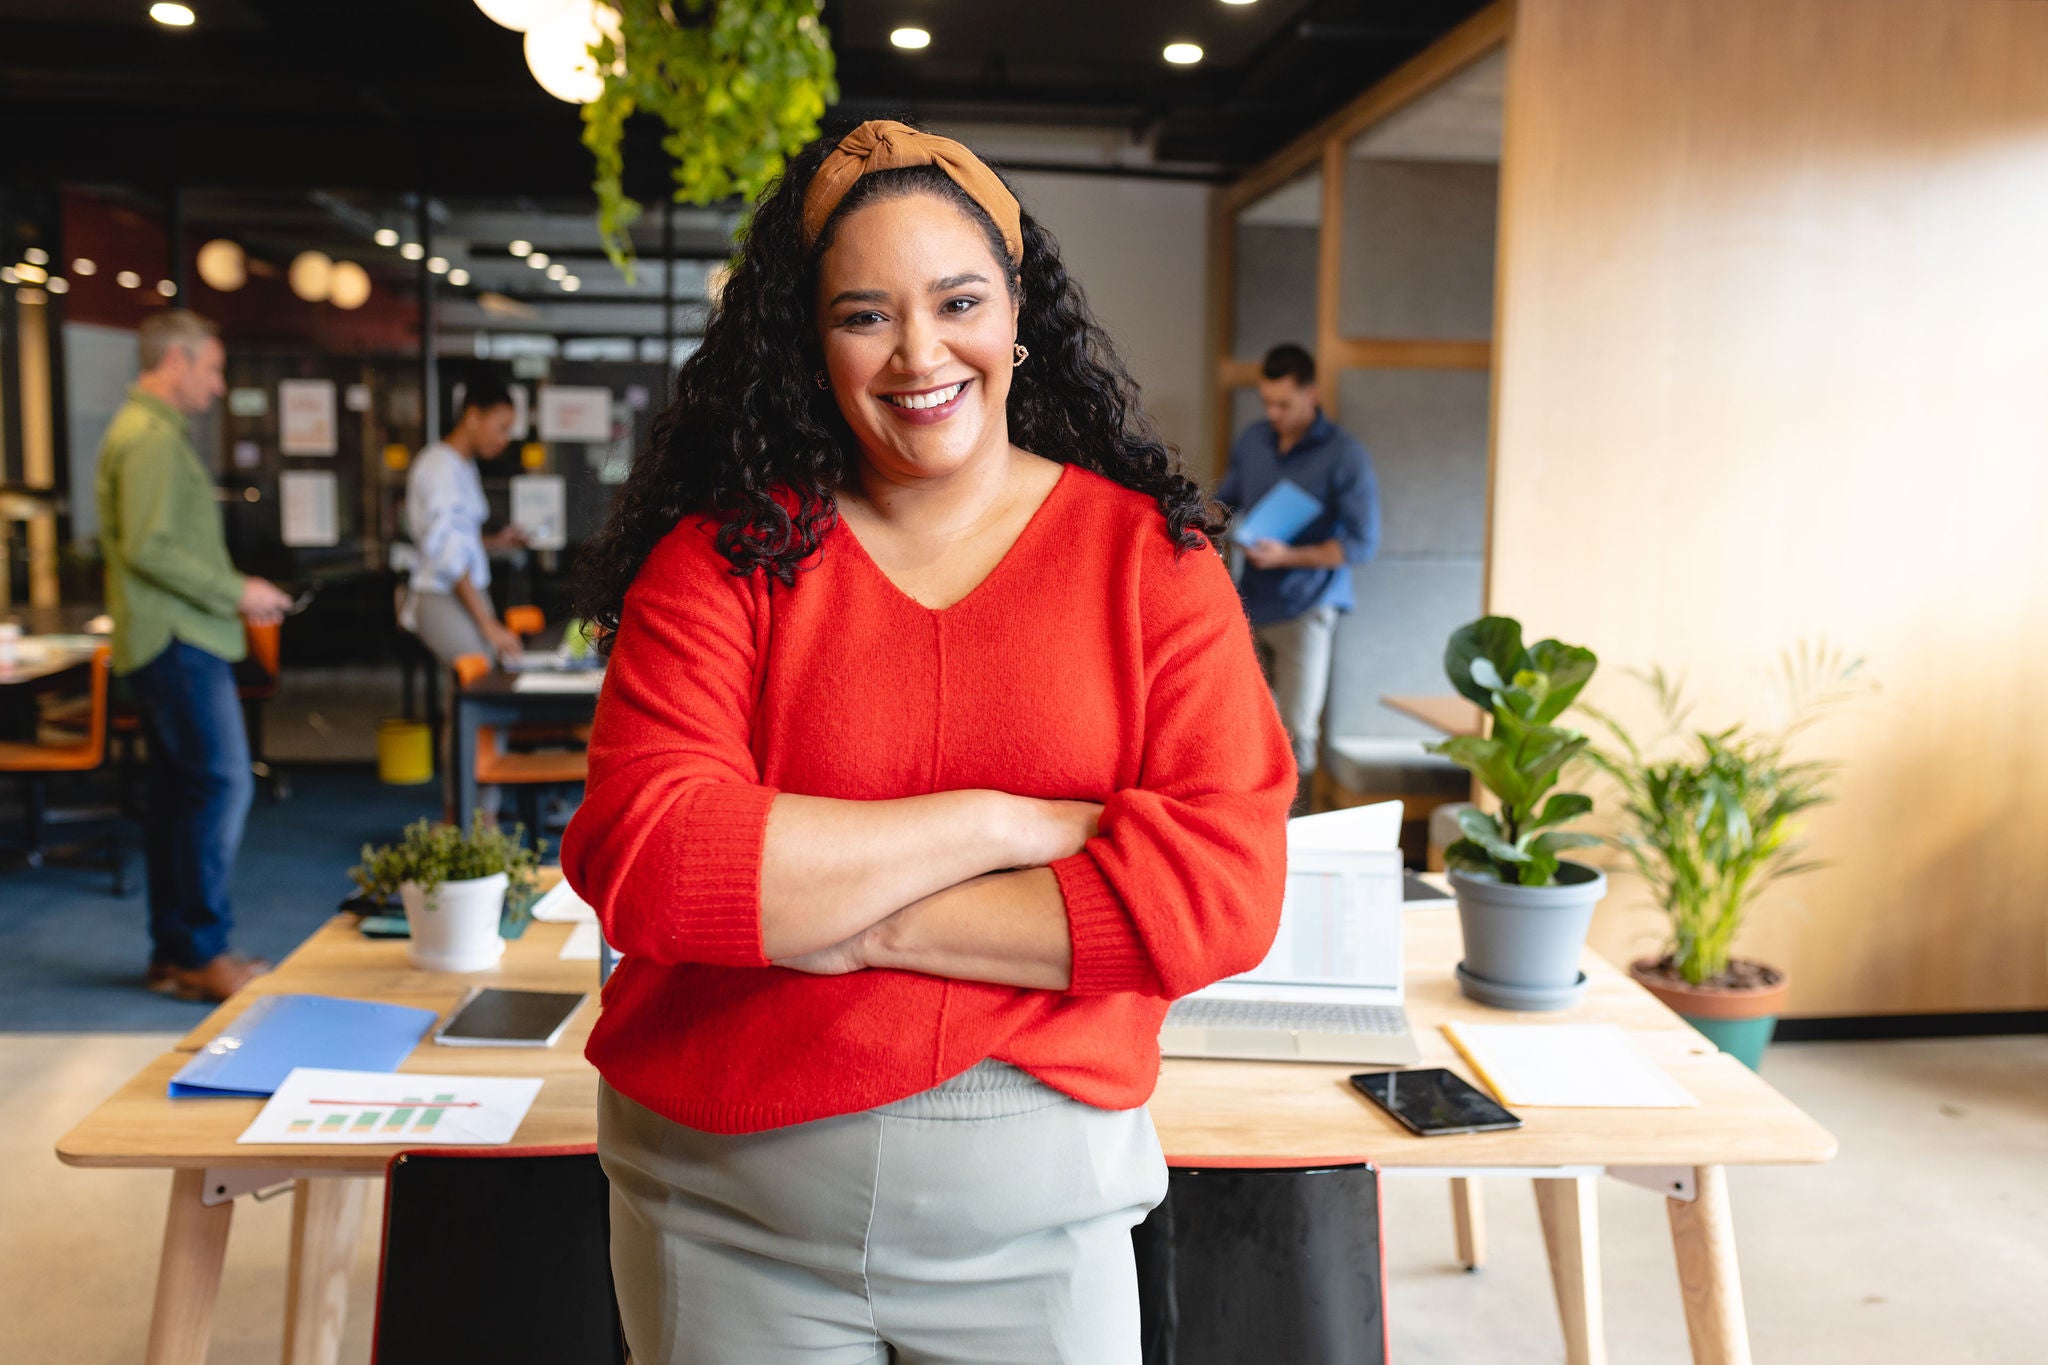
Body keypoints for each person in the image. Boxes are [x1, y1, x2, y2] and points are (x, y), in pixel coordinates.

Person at [564, 120, 1294, 1364]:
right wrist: (1000, 826)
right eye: (863, 315)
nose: (919, 355)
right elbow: (655, 864)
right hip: (721, 1222)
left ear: (1017, 316)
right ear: (809, 342)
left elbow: (1213, 895)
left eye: (957, 301)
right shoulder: (719, 560)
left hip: (1040, 1234)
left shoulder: (1150, 566)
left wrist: (854, 922)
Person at [96, 310, 294, 1002]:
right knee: (221, 784)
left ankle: (173, 952)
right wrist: (239, 588)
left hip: (170, 639)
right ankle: (202, 951)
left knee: (179, 799)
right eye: (210, 368)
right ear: (174, 361)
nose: (216, 387)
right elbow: (150, 549)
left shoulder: (148, 435)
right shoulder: (148, 439)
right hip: (178, 642)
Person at [1215, 343, 1380, 811]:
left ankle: (1295, 837)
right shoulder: (1254, 440)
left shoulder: (1345, 455)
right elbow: (1227, 503)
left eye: (1284, 404)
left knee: (1298, 732)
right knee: (1243, 725)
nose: (1274, 413)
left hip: (1308, 608)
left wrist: (1288, 556)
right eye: (1267, 402)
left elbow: (1361, 544)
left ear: (1313, 394)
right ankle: (1247, 825)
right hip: (1250, 602)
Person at [400, 377, 527, 668]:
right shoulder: (441, 467)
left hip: (459, 590)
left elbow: (457, 539)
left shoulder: (462, 465)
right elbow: (450, 553)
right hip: (440, 593)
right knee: (481, 674)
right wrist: (487, 623)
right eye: (501, 428)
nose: (504, 439)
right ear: (472, 416)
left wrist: (495, 543)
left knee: (477, 682)